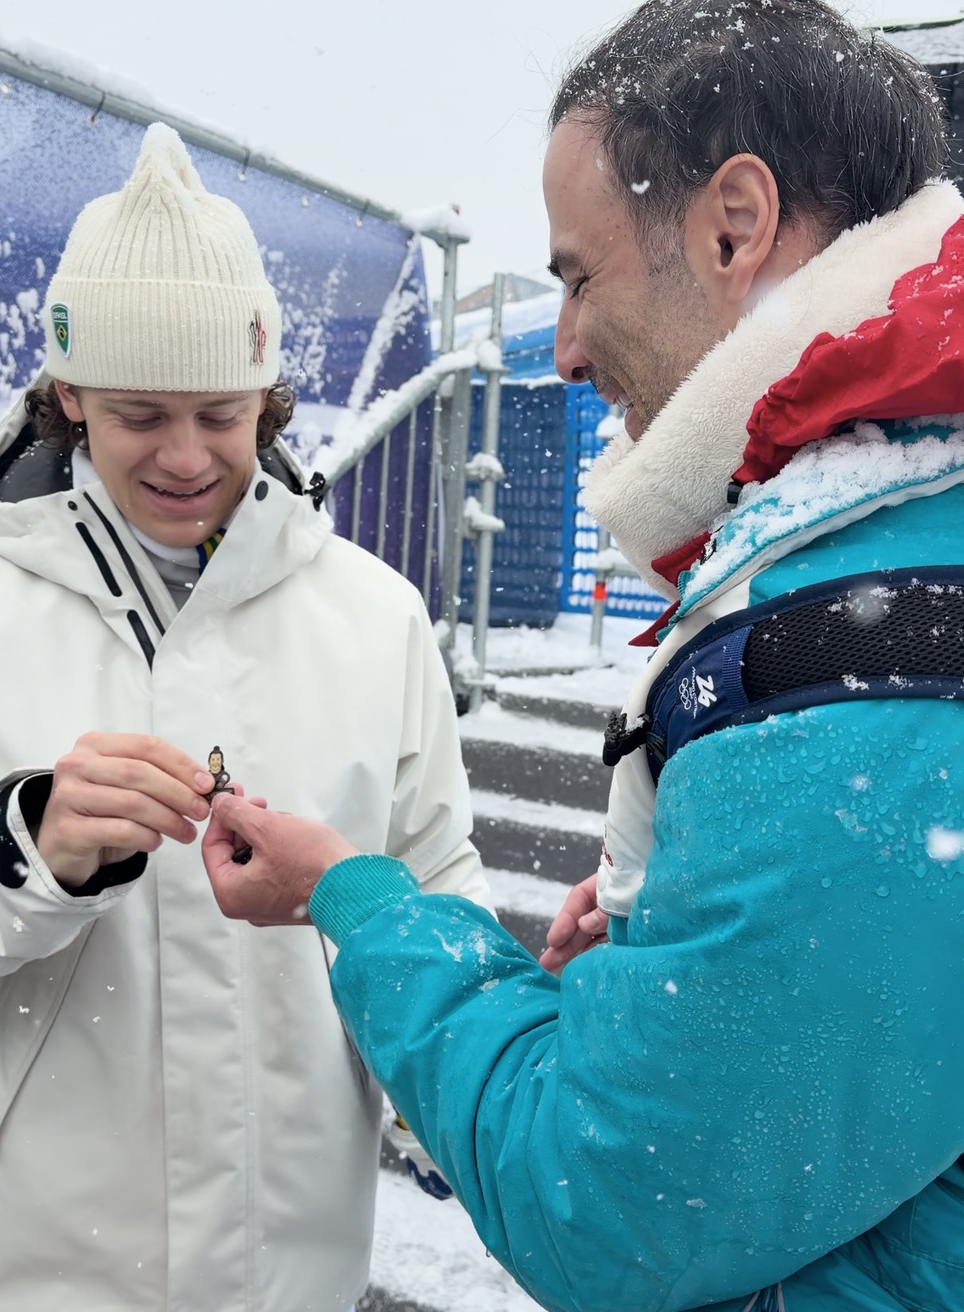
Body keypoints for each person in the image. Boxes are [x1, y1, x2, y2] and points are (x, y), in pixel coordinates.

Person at [201, 3, 964, 1310]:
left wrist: (366, 906)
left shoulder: (856, 641)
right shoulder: (880, 553)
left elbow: (616, 1204)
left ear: (734, 224)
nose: (556, 346)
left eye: (577, 272)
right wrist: (667, 940)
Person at [0, 123, 489, 1311]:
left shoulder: (378, 617)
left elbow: (433, 877)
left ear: (269, 396)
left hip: (293, 1273)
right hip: (36, 1269)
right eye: (137, 412)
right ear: (68, 398)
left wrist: (447, 1095)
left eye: (221, 410)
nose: (185, 454)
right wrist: (25, 850)